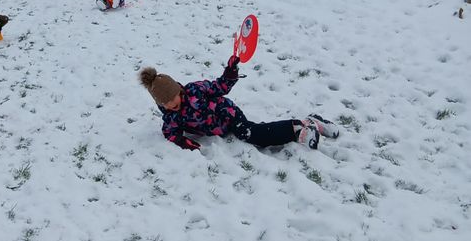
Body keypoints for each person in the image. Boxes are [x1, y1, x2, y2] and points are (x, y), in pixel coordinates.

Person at [139, 58, 340, 151]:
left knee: (251, 134)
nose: (172, 107)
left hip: (229, 116)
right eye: (166, 105)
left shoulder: (195, 90)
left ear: (178, 90)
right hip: (218, 130)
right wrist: (184, 142)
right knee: (251, 135)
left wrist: (230, 72)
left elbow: (220, 87)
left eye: (173, 101)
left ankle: (298, 128)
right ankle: (311, 122)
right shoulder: (171, 117)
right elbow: (170, 133)